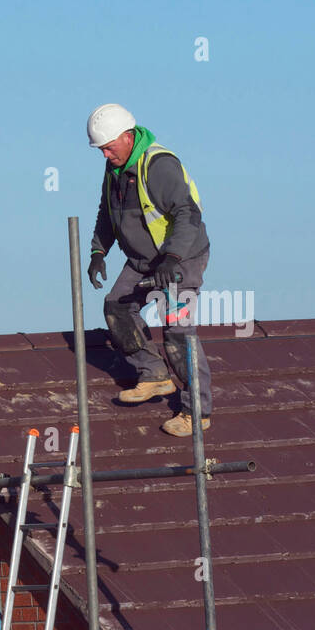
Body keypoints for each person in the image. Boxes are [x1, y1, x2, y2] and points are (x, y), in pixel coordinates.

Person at [85, 103, 213, 437]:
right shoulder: (115, 167)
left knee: (177, 330)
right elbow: (107, 212)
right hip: (143, 261)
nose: (105, 155)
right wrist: (99, 250)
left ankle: (196, 412)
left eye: (108, 148)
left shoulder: (158, 166)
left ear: (127, 137)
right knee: (117, 308)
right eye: (101, 150)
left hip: (180, 258)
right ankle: (155, 375)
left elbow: (188, 213)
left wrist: (172, 258)